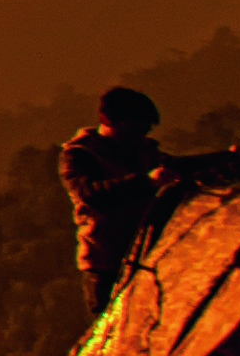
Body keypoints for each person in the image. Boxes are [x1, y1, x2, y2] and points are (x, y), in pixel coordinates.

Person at [62, 86, 177, 298]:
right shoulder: (79, 155)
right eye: (133, 130)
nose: (140, 137)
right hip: (106, 266)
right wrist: (146, 182)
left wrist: (228, 157)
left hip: (149, 259)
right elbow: (89, 194)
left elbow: (177, 168)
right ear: (110, 121)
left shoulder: (143, 150)